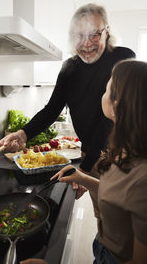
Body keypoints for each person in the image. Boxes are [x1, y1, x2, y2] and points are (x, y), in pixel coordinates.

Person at [0, 3, 135, 179]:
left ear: (107, 32)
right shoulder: (70, 67)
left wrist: (85, 168)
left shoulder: (122, 58)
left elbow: (111, 117)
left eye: (94, 34)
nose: (86, 43)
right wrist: (23, 134)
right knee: (100, 206)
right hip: (88, 153)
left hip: (119, 156)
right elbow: (51, 109)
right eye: (79, 35)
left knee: (120, 206)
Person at [51, 59, 147, 264]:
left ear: (117, 104)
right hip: (104, 248)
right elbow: (123, 197)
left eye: (106, 88)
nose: (101, 94)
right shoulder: (127, 148)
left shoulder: (143, 176)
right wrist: (82, 178)